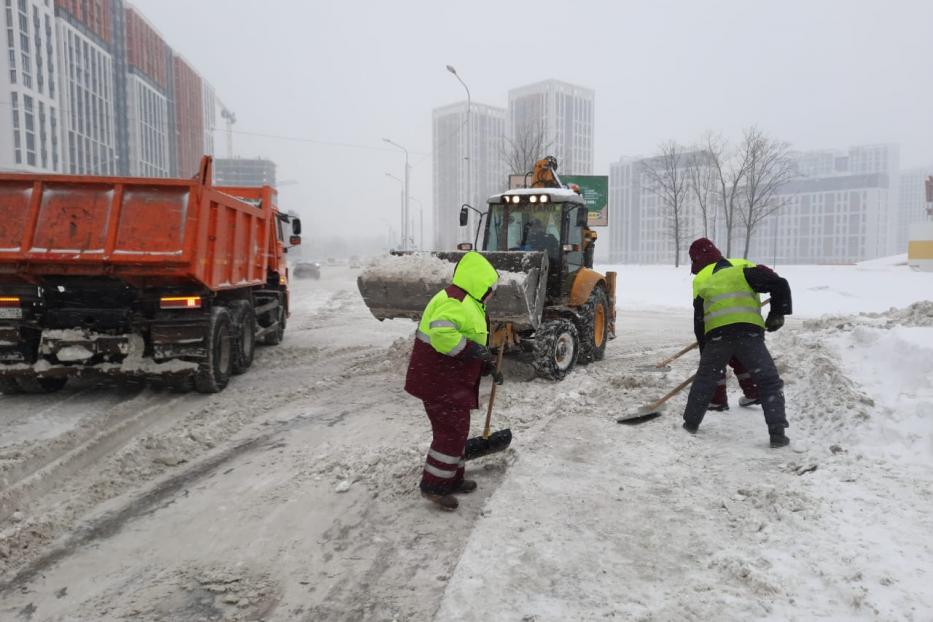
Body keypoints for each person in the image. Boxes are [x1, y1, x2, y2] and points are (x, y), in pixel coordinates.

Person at [404, 251, 503, 511]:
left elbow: (471, 339)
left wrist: (487, 365)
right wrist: (472, 350)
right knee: (450, 433)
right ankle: (434, 487)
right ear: (479, 283)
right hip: (439, 382)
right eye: (491, 288)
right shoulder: (455, 300)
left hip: (450, 382)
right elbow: (442, 335)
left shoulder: (469, 302)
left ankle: (452, 479)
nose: (492, 294)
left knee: (457, 430)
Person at [682, 238, 793, 447]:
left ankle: (690, 424)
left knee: (704, 380)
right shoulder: (744, 270)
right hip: (749, 334)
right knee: (769, 381)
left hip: (717, 336)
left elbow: (699, 321)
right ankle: (777, 434)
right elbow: (779, 283)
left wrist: (705, 351)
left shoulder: (703, 281)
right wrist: (777, 313)